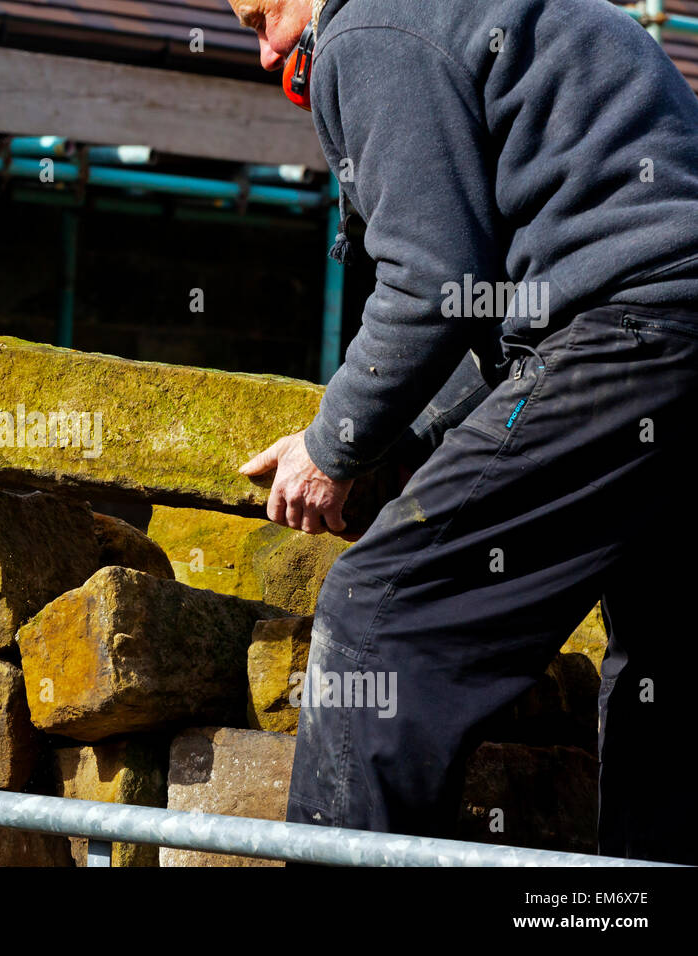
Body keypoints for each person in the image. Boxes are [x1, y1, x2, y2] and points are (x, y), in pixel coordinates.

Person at [232, 0, 698, 863]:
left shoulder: (369, 27)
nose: (263, 54)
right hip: (666, 331)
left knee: (380, 616)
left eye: (261, 16)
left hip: (628, 332)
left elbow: (432, 279)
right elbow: (495, 310)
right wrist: (402, 440)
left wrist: (333, 444)